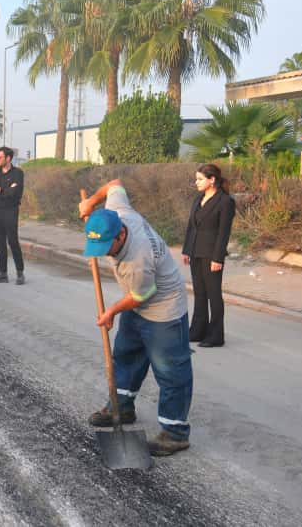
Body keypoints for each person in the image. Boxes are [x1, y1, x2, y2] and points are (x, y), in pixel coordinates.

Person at [78, 179, 193, 456]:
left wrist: (110, 312)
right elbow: (115, 184)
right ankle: (122, 408)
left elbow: (141, 296)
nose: (102, 253)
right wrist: (92, 201)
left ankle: (175, 432)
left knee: (169, 369)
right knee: (126, 355)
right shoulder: (118, 212)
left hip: (163, 308)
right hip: (137, 303)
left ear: (119, 236)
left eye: (106, 246)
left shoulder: (138, 259)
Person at [182, 164, 236, 348]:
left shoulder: (225, 202)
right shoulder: (198, 199)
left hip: (212, 254)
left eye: (200, 179)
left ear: (212, 180)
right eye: (196, 179)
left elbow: (223, 233)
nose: (196, 182)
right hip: (195, 252)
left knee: (213, 294)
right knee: (199, 293)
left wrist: (218, 258)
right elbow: (191, 226)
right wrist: (187, 250)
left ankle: (215, 336)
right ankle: (198, 330)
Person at [0, 146, 25, 284]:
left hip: (11, 211)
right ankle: (3, 273)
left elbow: (14, 193)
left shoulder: (18, 173)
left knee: (13, 241)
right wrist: (5, 190)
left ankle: (20, 273)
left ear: (8, 158)